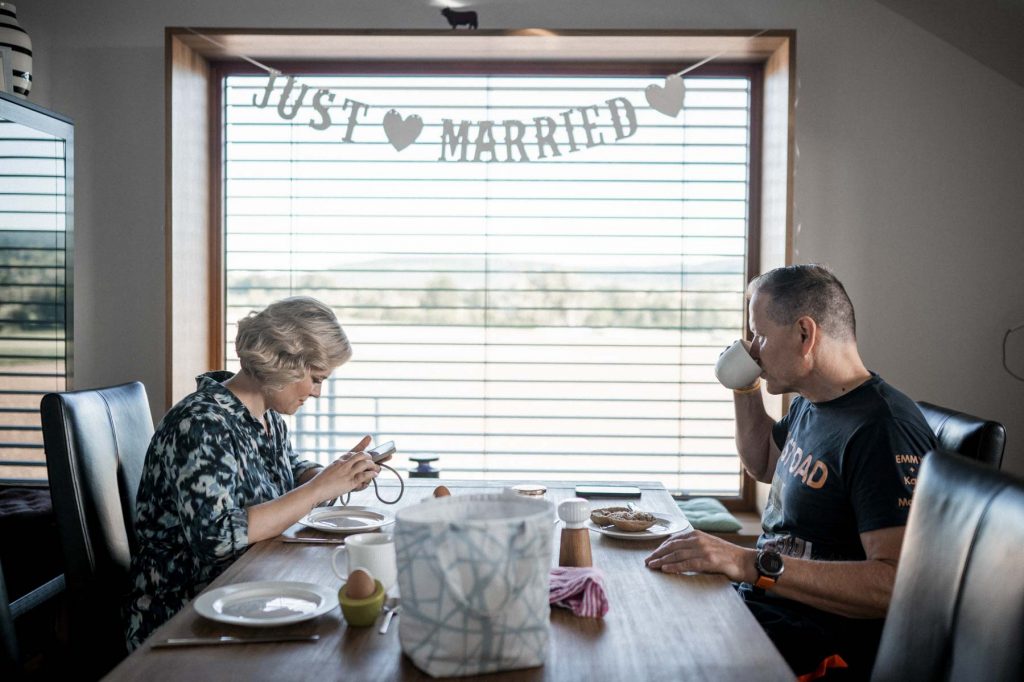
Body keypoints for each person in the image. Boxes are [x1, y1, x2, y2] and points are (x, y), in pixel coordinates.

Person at [645, 264, 937, 680]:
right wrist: (744, 387)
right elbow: (763, 462)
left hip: (817, 646)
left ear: (805, 334)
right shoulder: (812, 402)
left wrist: (749, 563)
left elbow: (893, 584)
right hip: (767, 612)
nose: (754, 350)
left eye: (760, 335)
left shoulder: (881, 429)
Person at [125, 297, 381, 649]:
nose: (318, 392)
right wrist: (319, 489)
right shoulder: (200, 424)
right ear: (285, 361)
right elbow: (216, 537)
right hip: (183, 618)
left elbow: (290, 471)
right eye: (317, 379)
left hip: (243, 594)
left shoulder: (266, 417)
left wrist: (337, 474)